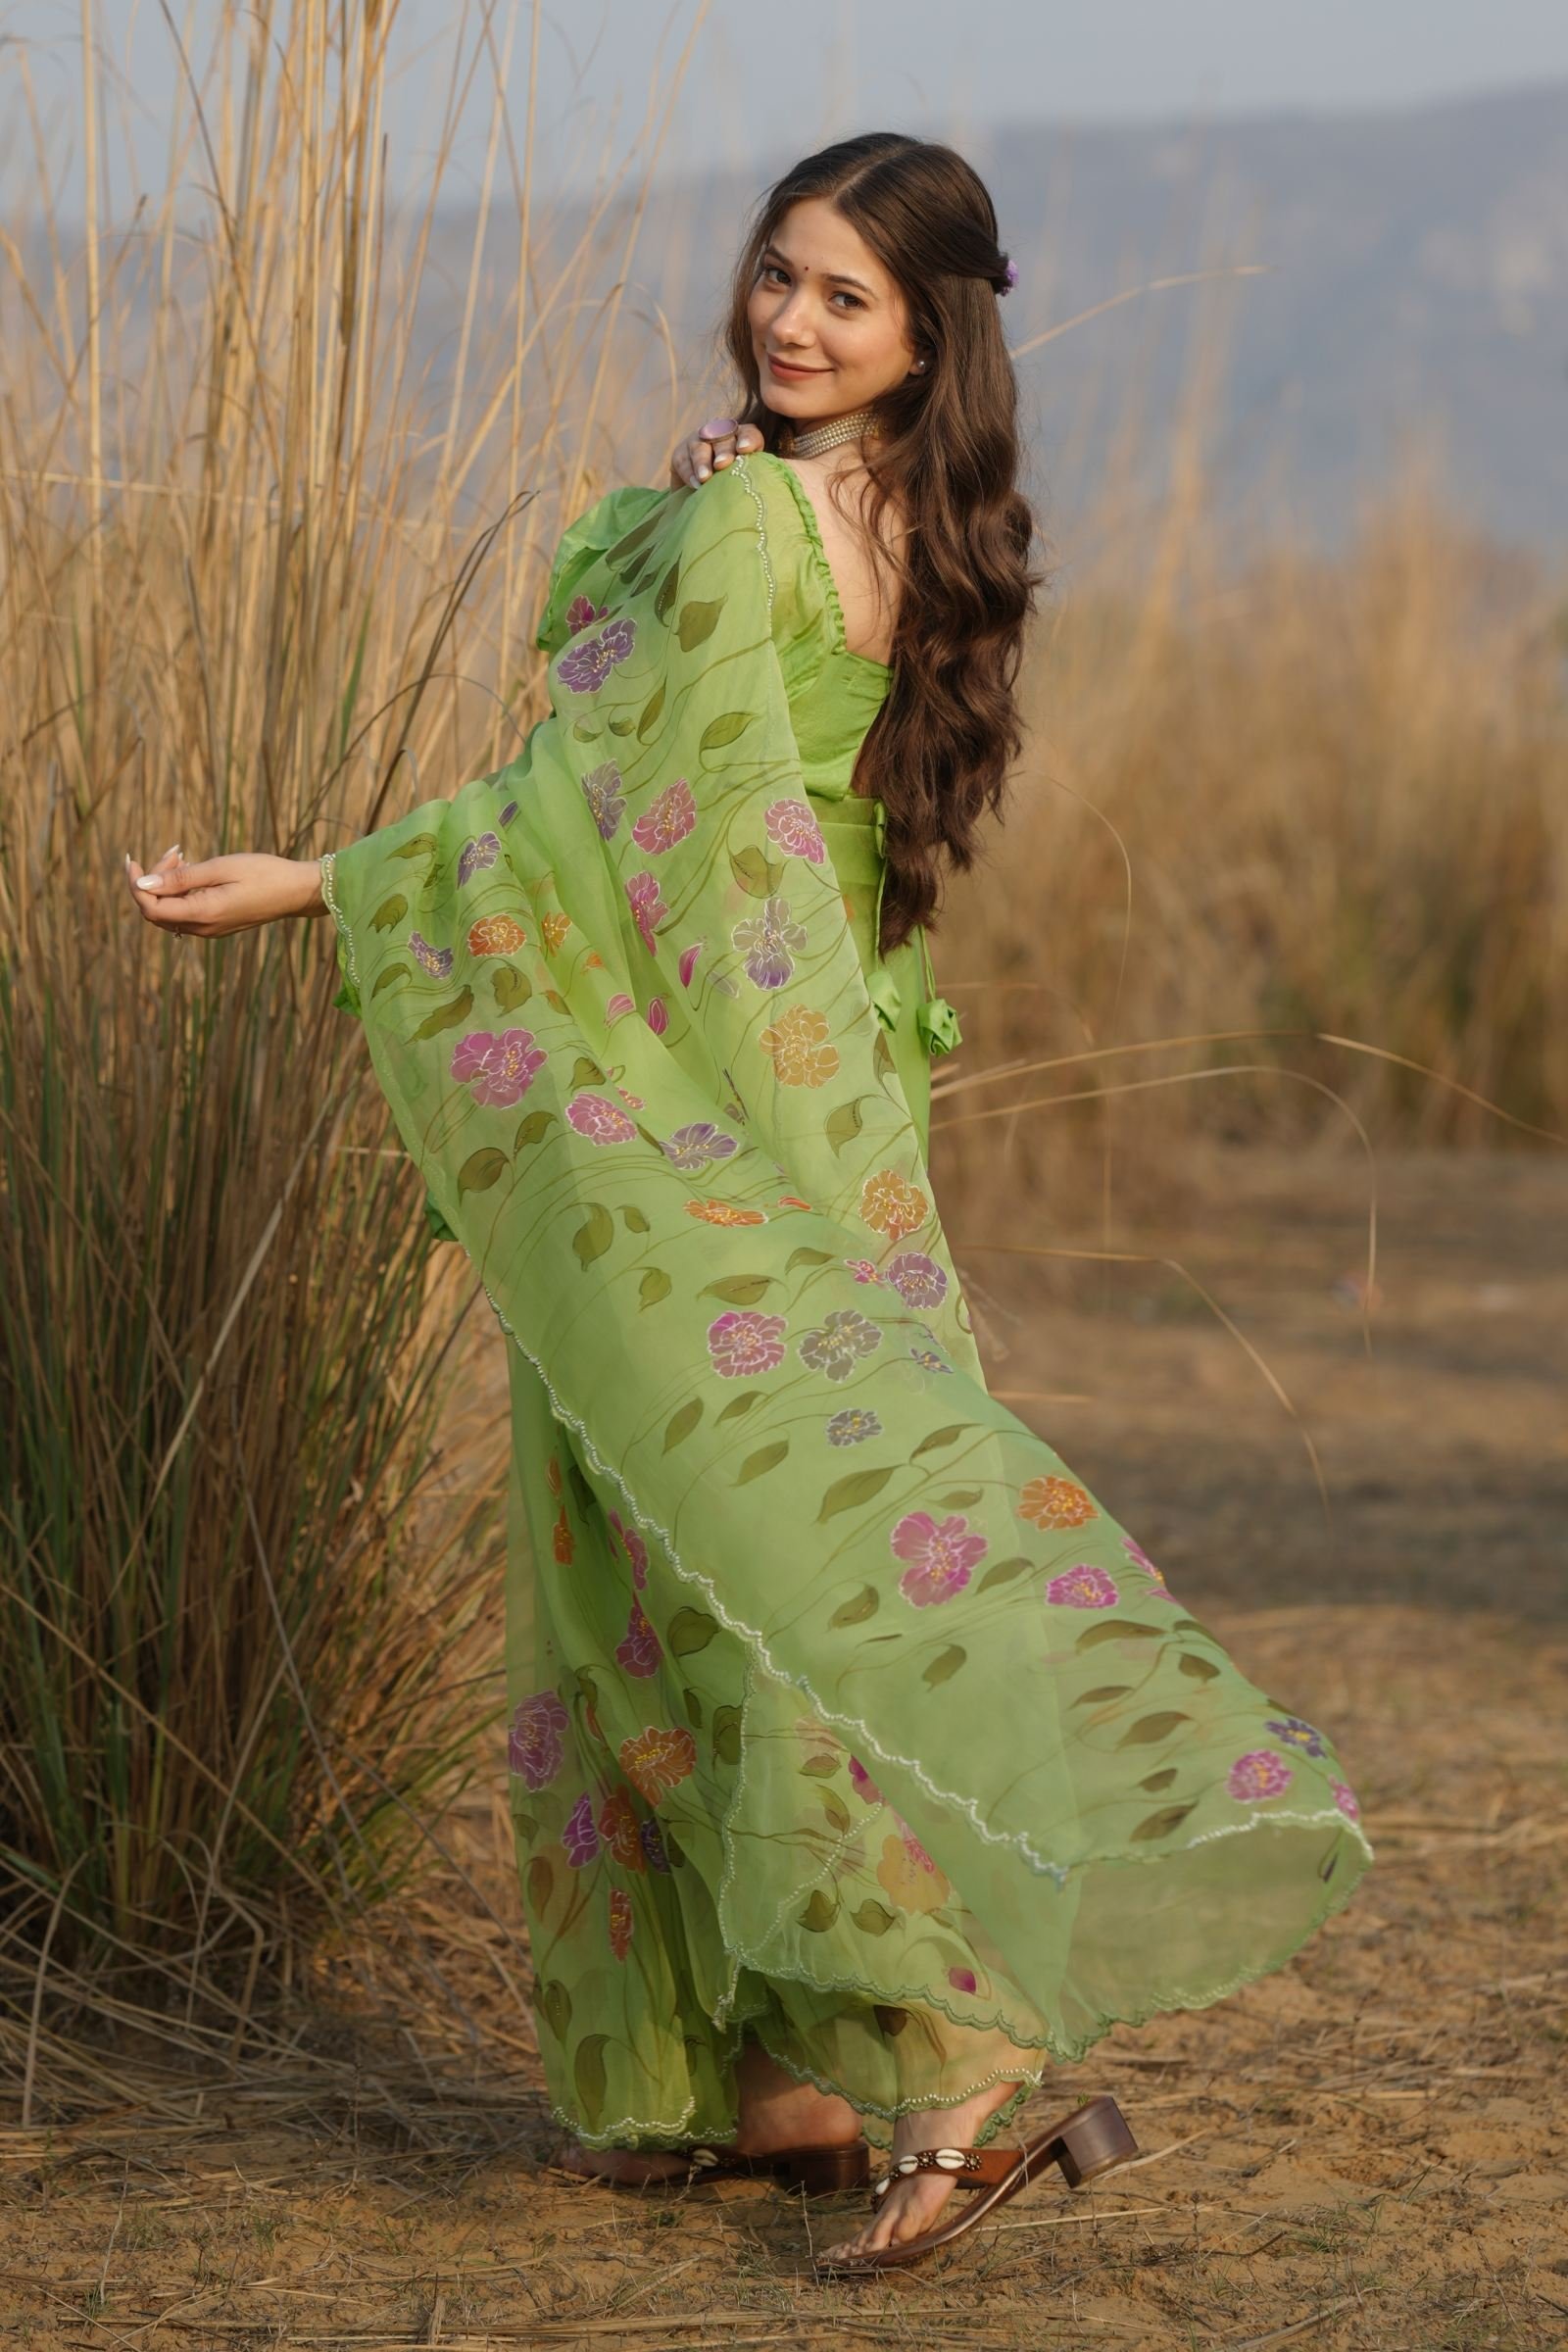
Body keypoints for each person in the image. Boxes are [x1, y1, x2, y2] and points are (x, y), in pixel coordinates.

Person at [124, 132, 1370, 2276]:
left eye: (841, 301)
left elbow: (591, 811)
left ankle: (951, 2061)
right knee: (797, 1539)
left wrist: (322, 879)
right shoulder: (920, 524)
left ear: (927, 333)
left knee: (710, 1569)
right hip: (834, 1100)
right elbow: (769, 823)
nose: (788, 321)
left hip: (692, 1112)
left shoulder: (738, 517)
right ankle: (785, 2088)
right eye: (775, 276)